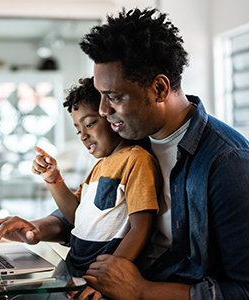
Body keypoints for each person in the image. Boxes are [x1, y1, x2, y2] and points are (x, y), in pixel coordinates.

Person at [0, 7, 249, 300]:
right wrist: (36, 228)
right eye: (100, 95)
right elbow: (95, 213)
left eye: (113, 97)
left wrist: (142, 291)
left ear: (159, 89)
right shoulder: (133, 138)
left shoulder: (230, 166)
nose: (102, 111)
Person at [32, 76, 161, 298]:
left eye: (90, 124)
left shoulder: (137, 160)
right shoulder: (99, 166)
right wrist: (53, 178)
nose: (83, 136)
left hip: (99, 283)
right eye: (78, 129)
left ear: (111, 117)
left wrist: (107, 277)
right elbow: (76, 216)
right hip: (73, 271)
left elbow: (142, 227)